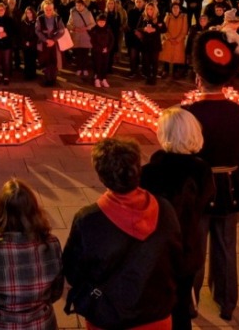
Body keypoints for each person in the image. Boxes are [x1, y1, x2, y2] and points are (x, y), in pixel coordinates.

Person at [63, 138, 181, 329]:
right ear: (138, 170)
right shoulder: (165, 209)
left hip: (108, 316)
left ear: (101, 176)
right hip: (157, 314)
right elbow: (178, 258)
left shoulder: (89, 220)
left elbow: (72, 269)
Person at [182, 30, 239, 321]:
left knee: (195, 249)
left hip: (197, 190)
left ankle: (191, 302)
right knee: (227, 249)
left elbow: (180, 155)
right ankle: (227, 302)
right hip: (229, 189)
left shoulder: (187, 113)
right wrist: (237, 179)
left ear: (198, 78)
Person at [140, 107, 215, 330]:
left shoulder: (150, 172)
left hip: (156, 252)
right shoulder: (202, 170)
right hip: (188, 249)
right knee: (181, 305)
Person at [0, 179, 64, 330]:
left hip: (0, 324)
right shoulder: (51, 244)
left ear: (0, 211)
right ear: (33, 210)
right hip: (43, 324)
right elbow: (56, 292)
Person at [35, 1, 66, 86]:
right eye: (46, 9)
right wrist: (46, 40)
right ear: (43, 9)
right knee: (45, 61)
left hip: (55, 44)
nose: (48, 11)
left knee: (54, 61)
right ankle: (47, 78)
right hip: (44, 43)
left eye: (50, 9)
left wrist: (53, 40)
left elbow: (62, 30)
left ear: (53, 9)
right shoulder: (40, 18)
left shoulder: (57, 18)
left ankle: (53, 79)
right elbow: (37, 31)